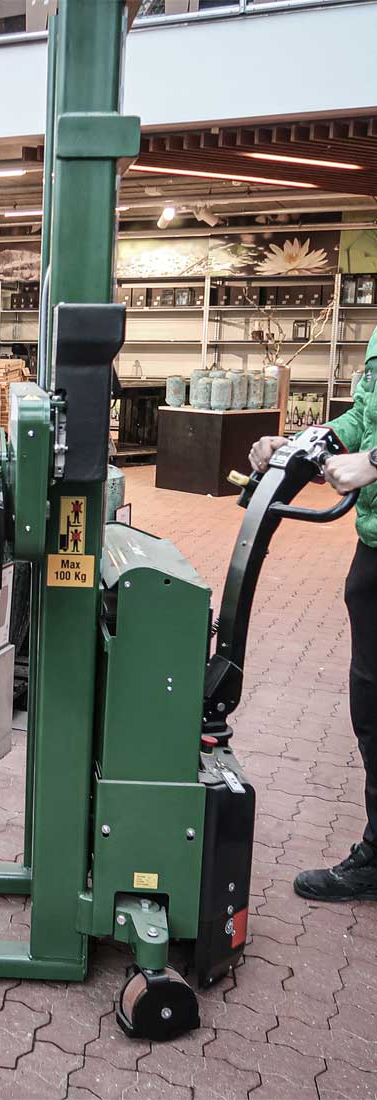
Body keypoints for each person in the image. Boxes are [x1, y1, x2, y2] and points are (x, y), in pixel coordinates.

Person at [249, 327, 377, 902]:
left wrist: (373, 461)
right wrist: (302, 443)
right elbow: (363, 416)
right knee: (370, 707)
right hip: (374, 546)